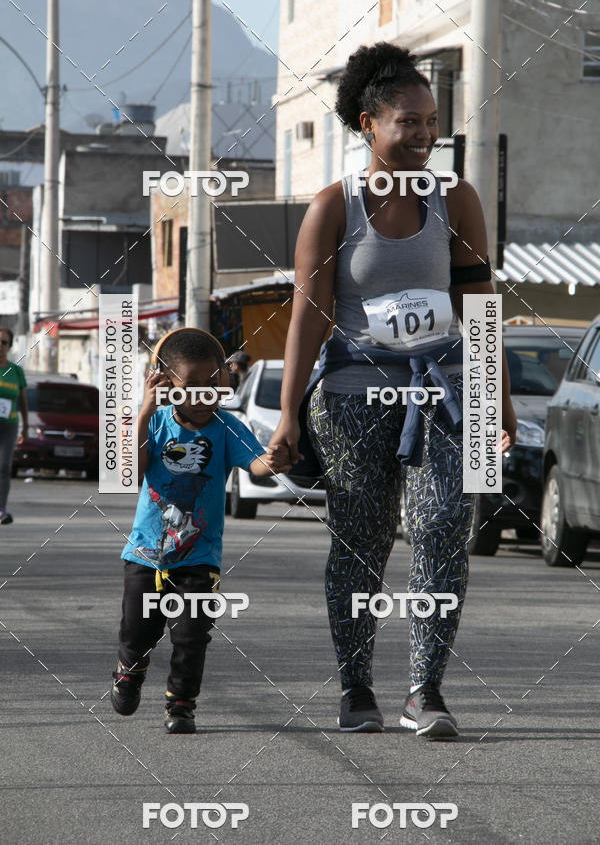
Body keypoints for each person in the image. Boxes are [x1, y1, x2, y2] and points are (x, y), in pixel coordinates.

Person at [270, 43, 517, 738]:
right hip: (352, 394)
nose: (423, 135)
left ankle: (425, 691)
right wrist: (287, 415)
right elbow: (306, 322)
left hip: (442, 391)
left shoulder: (457, 198)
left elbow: (479, 304)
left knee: (442, 527)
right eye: (407, 122)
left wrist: (498, 397)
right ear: (367, 123)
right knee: (362, 540)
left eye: (431, 121)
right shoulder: (332, 208)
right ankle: (356, 690)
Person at [111, 328, 290, 733]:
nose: (203, 396)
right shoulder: (155, 423)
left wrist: (274, 460)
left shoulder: (227, 427)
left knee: (192, 636)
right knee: (138, 631)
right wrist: (143, 411)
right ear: (166, 384)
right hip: (145, 555)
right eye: (191, 387)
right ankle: (129, 670)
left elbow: (256, 465)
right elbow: (132, 469)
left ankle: (181, 706)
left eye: (213, 384)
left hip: (200, 557)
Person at [0, 328, 28, 525]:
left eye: (4, 342)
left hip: (9, 425)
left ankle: (1, 509)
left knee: (3, 467)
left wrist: (26, 427)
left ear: (9, 346)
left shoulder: (16, 371)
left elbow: (23, 401)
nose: (0, 345)